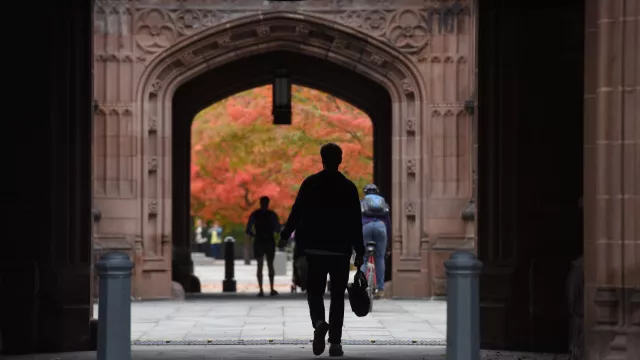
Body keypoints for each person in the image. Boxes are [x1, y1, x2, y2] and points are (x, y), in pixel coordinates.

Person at [279, 143, 365, 357]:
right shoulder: (349, 187)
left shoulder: (310, 183)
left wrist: (284, 235)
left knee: (315, 292)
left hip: (315, 249)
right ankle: (335, 343)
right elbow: (355, 221)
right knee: (337, 297)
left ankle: (318, 322)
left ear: (322, 159)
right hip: (340, 251)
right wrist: (359, 249)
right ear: (340, 160)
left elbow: (297, 211)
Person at [360, 183, 392, 298]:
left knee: (363, 258)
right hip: (381, 227)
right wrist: (388, 243)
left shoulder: (362, 203)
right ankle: (381, 289)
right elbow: (388, 223)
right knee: (379, 258)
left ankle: (362, 286)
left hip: (365, 227)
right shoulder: (382, 204)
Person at [245, 196, 281, 297]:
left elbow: (248, 230)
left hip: (259, 241)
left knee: (260, 266)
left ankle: (261, 290)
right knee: (270, 265)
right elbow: (278, 229)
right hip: (269, 241)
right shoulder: (272, 215)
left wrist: (255, 235)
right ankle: (271, 288)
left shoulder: (255, 215)